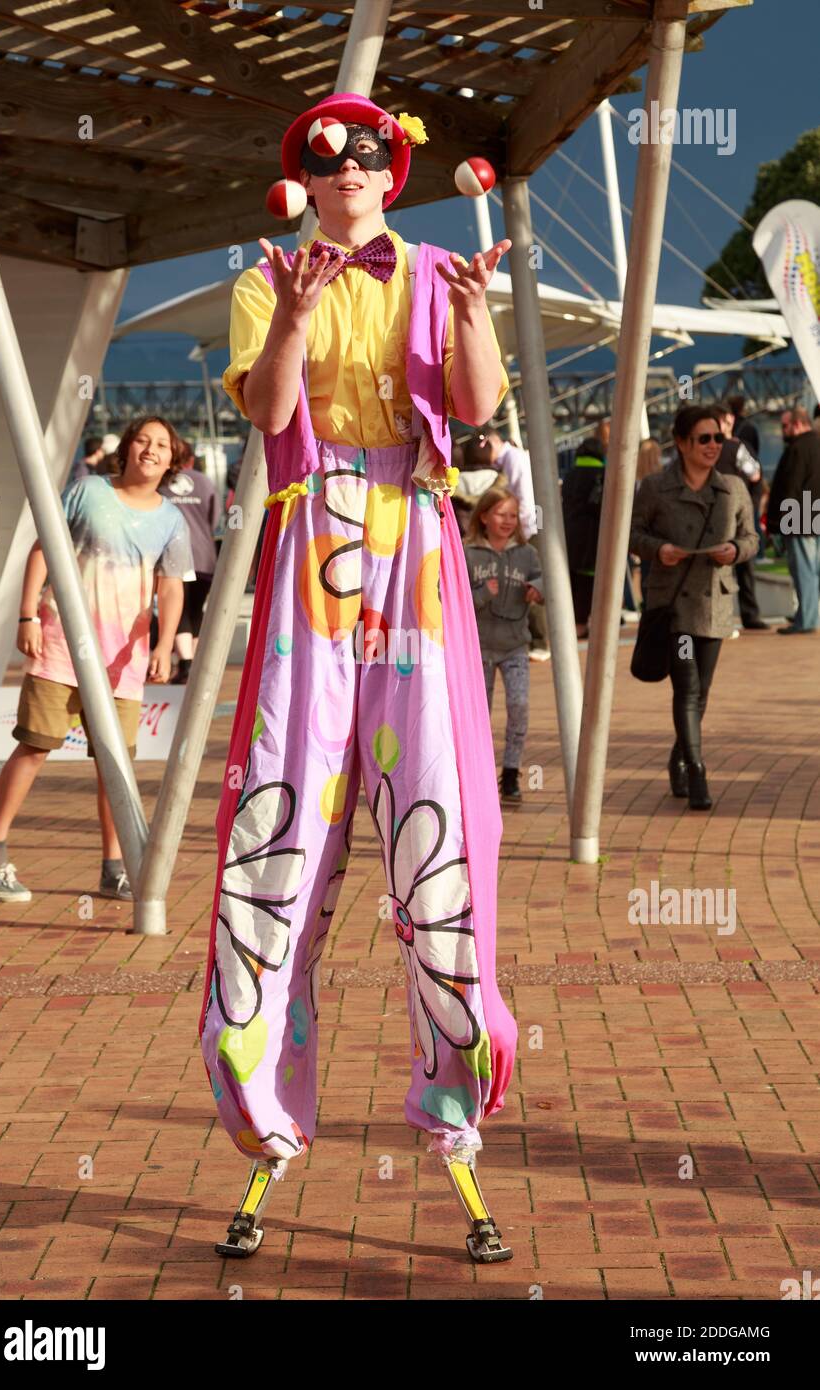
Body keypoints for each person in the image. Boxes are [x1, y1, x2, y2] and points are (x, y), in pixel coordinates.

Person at [201, 93, 519, 1266]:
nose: (347, 166)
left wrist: (477, 314)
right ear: (305, 175)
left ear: (394, 169)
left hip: (418, 538)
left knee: (432, 822)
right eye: (325, 155)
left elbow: (477, 412)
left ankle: (456, 1104)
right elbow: (274, 414)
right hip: (312, 537)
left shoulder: (437, 270)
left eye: (367, 151)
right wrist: (291, 314)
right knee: (281, 815)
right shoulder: (265, 278)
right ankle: (261, 1115)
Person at [0, 416, 194, 904]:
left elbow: (171, 588)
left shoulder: (172, 520)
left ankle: (116, 866)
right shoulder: (88, 491)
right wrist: (27, 616)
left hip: (123, 661)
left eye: (161, 446)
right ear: (127, 447)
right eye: (142, 440)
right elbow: (43, 549)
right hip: (62, 645)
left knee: (115, 765)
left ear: (172, 460)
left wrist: (163, 644)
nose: (150, 450)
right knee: (35, 746)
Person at [630, 405, 758, 811]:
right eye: (704, 439)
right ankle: (698, 769)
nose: (713, 446)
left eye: (718, 439)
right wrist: (659, 550)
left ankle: (678, 755)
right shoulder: (654, 487)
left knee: (701, 692)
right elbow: (632, 534)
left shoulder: (733, 488)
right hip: (673, 604)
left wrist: (735, 550)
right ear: (682, 443)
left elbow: (752, 538)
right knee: (686, 688)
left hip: (716, 603)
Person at [464, 486, 543, 804]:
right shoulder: (468, 553)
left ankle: (511, 771)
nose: (508, 521)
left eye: (513, 515)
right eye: (500, 514)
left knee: (519, 706)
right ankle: (477, 773)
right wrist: (483, 592)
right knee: (479, 713)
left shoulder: (528, 554)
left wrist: (538, 588)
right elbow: (450, 600)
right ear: (483, 517)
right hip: (479, 647)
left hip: (515, 646)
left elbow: (547, 580)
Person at [158, 440, 220, 683]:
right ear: (192, 459)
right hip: (204, 555)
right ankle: (192, 663)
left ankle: (185, 663)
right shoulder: (205, 482)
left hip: (172, 556)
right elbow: (214, 519)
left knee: (178, 607)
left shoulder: (162, 483)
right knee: (195, 609)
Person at [766, 405, 820, 634]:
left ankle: (806, 620)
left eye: (786, 426)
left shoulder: (798, 449)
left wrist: (779, 521)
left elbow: (791, 486)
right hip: (813, 515)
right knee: (813, 569)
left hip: (799, 518)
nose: (783, 431)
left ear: (798, 424)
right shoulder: (816, 444)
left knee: (804, 571)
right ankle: (807, 616)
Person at [715, 403, 768, 630]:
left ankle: (722, 617)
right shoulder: (736, 448)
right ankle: (749, 615)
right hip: (736, 510)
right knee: (744, 564)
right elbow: (755, 474)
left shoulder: (703, 448)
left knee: (719, 564)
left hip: (715, 512)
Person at [562, 417, 609, 637]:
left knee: (574, 583)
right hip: (596, 538)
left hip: (571, 537)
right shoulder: (604, 475)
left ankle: (576, 625)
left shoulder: (570, 475)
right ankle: (590, 625)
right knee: (593, 583)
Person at [461, 427, 537, 541]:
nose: (483, 450)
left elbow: (525, 498)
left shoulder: (514, 458)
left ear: (494, 441)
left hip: (525, 531)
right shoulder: (506, 461)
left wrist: (521, 535)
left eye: (485, 445)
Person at [635, 438, 662, 606]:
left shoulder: (635, 482)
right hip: (658, 533)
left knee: (646, 574)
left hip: (642, 534)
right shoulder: (662, 481)